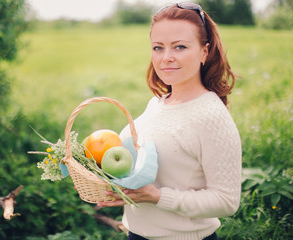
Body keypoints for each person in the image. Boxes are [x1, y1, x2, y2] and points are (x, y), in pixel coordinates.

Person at [97, 2, 242, 240]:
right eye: (158, 48)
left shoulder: (211, 116)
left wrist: (158, 197)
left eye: (180, 47)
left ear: (204, 52)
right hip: (137, 234)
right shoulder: (158, 102)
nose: (166, 58)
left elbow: (226, 201)